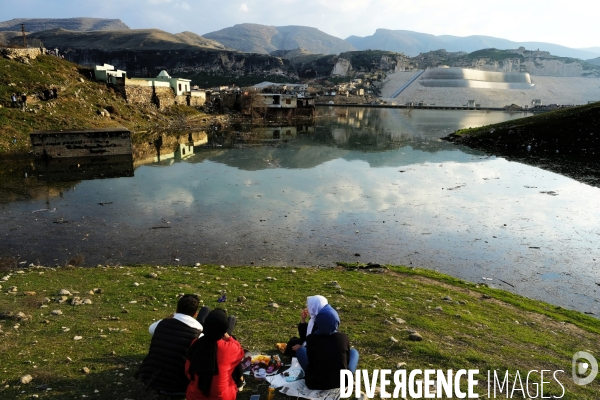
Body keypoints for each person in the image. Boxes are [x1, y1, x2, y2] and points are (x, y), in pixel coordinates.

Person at [135, 294, 205, 394]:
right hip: (178, 385)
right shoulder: (198, 335)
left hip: (149, 377)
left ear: (176, 309)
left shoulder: (161, 323)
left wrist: (167, 319)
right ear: (195, 314)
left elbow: (151, 329)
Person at [185, 308, 245, 400]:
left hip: (195, 395)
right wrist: (229, 338)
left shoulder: (196, 343)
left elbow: (188, 371)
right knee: (230, 367)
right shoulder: (231, 348)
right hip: (222, 396)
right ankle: (240, 382)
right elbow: (240, 353)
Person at [296, 304, 359, 390]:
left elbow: (310, 361)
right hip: (343, 381)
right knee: (354, 352)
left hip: (315, 382)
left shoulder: (311, 338)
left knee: (300, 351)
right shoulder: (343, 337)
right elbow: (346, 359)